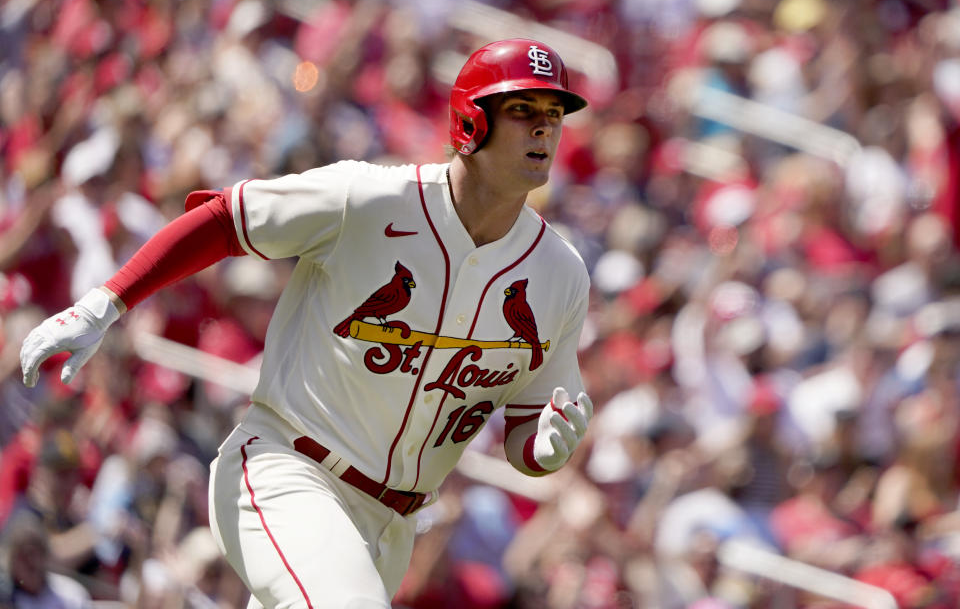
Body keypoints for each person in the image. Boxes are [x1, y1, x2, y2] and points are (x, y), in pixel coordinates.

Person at [19, 38, 595, 608]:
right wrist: (106, 303)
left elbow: (527, 425)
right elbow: (225, 218)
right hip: (288, 472)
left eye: (553, 114)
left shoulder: (561, 275)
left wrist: (544, 450)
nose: (544, 128)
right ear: (472, 121)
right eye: (521, 110)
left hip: (392, 529)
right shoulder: (369, 198)